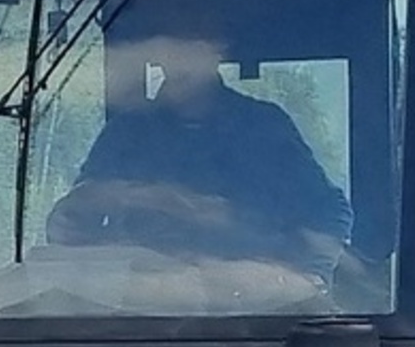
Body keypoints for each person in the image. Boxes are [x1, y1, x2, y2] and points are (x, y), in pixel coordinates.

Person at [46, 33, 352, 286]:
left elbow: (328, 210)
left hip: (248, 312)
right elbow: (76, 217)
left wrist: (311, 278)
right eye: (169, 42)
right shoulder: (126, 132)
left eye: (190, 42)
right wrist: (68, 219)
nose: (178, 56)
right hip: (139, 309)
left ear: (217, 51)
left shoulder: (264, 126)